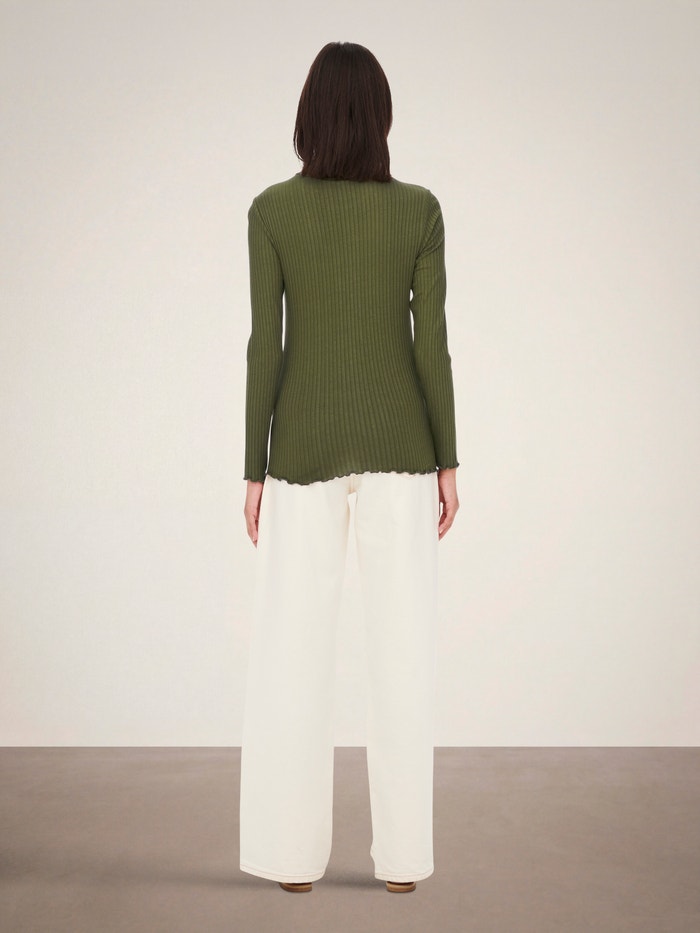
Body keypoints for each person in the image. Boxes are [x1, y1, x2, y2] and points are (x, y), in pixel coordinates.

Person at [239, 41, 460, 895]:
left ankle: (291, 861)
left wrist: (253, 466)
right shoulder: (419, 211)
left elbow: (266, 345)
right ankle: (403, 865)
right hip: (404, 453)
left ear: (308, 117)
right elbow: (431, 347)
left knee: (291, 653)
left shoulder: (272, 211)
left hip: (299, 453)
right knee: (404, 655)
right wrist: (448, 459)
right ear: (381, 117)